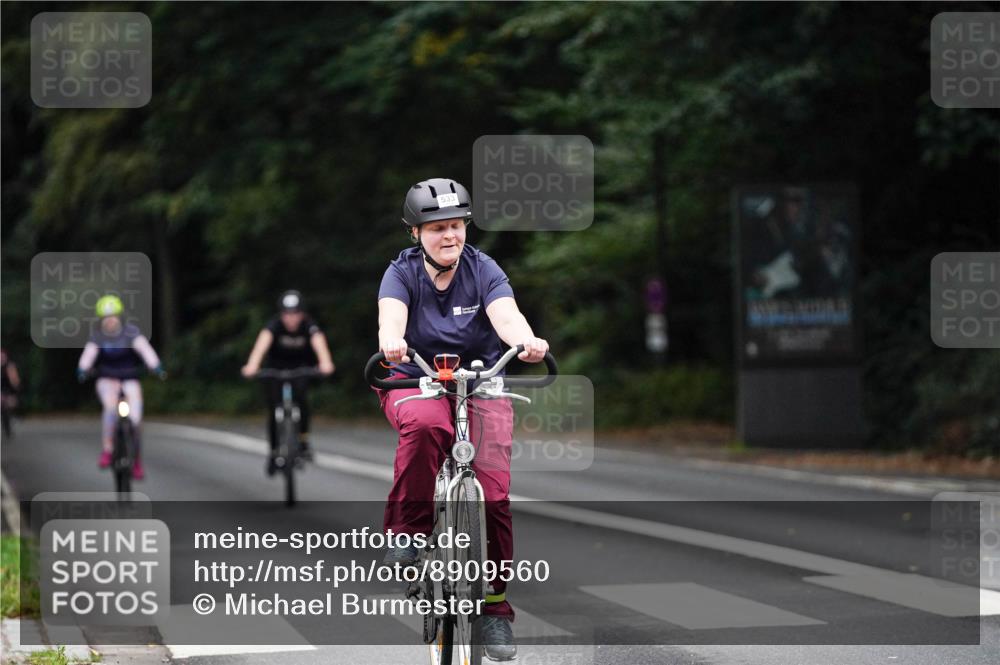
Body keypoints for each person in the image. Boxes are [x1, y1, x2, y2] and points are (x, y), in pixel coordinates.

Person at [376, 177, 549, 661]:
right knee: (428, 426)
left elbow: (507, 316)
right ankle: (407, 534)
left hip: (481, 380)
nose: (449, 236)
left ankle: (495, 610)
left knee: (493, 498)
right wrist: (393, 340)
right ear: (416, 234)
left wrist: (527, 341)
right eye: (437, 228)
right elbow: (390, 317)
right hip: (416, 378)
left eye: (456, 226)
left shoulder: (484, 269)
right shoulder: (401, 273)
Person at [241, 290, 335, 473]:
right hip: (275, 370)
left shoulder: (309, 326)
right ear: (281, 314)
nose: (291, 318)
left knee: (302, 401)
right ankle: (274, 451)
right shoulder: (274, 325)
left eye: (296, 313)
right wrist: (252, 365)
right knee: (274, 407)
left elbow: (319, 342)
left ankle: (303, 440)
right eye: (287, 314)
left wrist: (325, 362)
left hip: (300, 370)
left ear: (302, 314)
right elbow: (262, 344)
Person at [76, 295, 165, 479]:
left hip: (130, 378)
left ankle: (137, 461)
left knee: (135, 420)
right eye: (106, 318)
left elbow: (145, 351)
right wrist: (83, 369)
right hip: (107, 379)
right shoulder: (97, 337)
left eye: (113, 316)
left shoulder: (131, 333)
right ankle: (108, 449)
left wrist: (155, 366)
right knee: (109, 408)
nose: (110, 321)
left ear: (119, 317)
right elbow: (88, 355)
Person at [1, 348, 22, 438]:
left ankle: (8, 428)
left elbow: (15, 383)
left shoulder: (10, 367)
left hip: (9, 394)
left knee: (5, 404)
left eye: (2, 356)